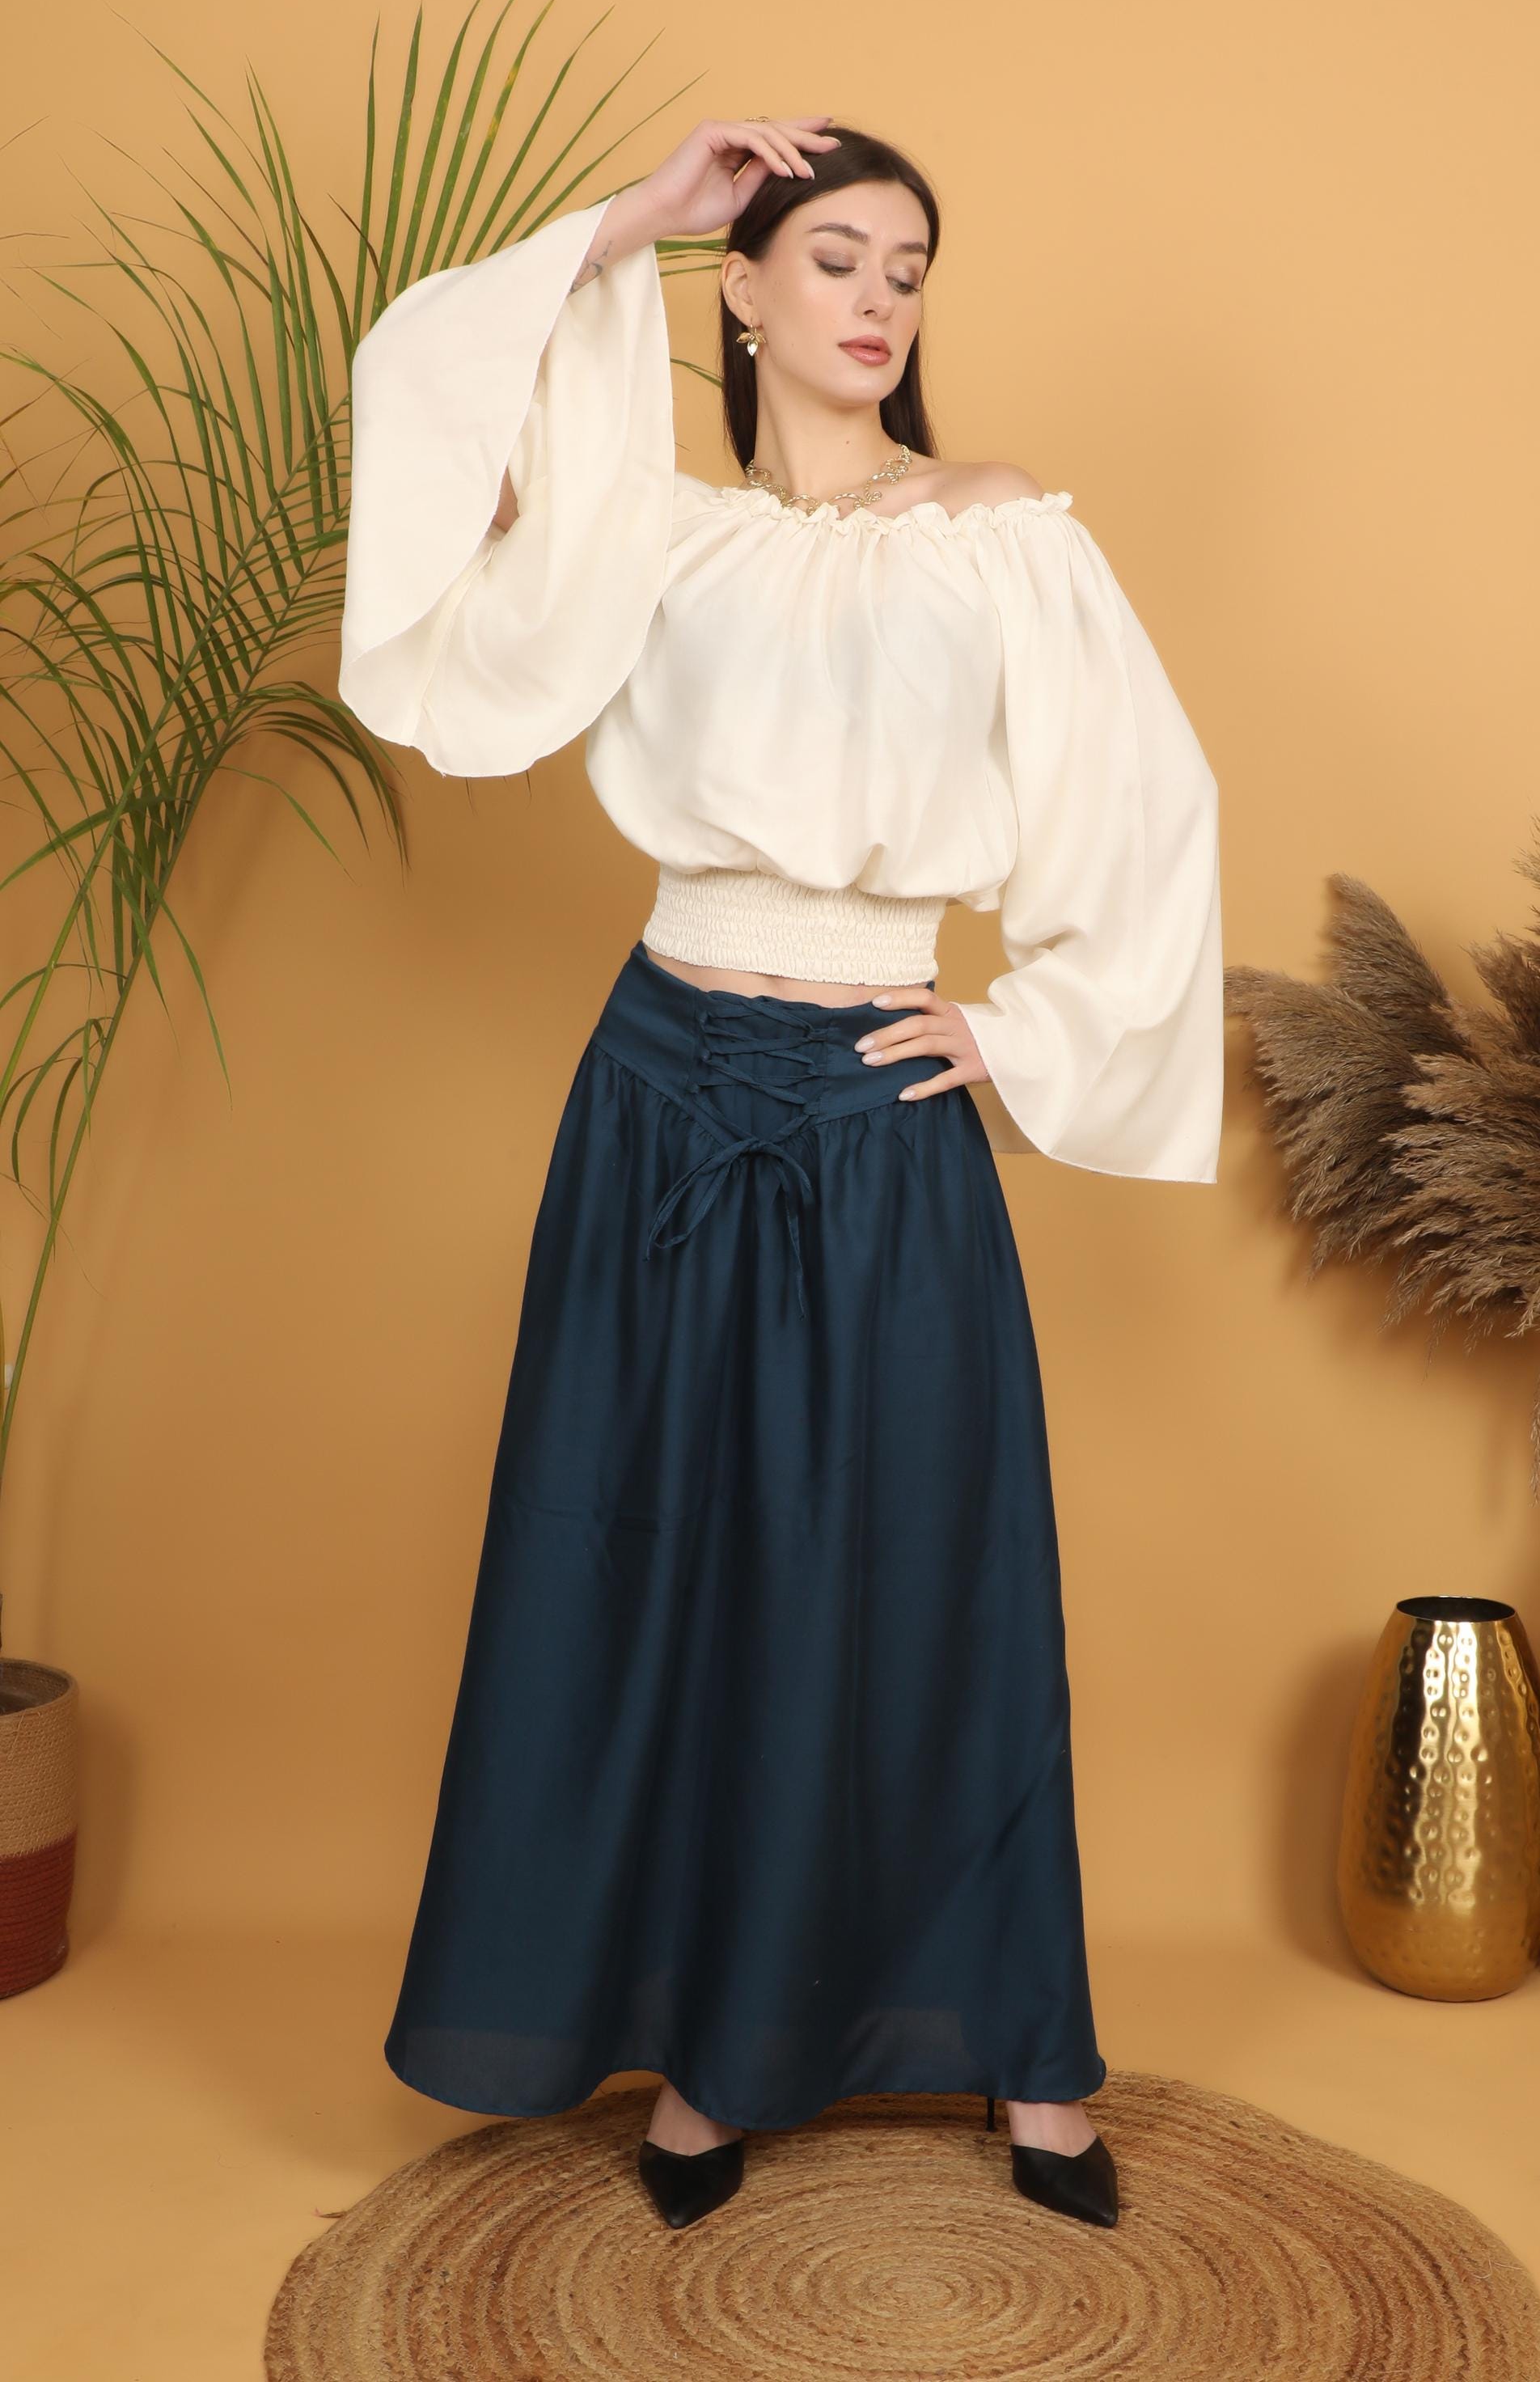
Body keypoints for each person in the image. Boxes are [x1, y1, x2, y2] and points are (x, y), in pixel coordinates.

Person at [339, 112, 1223, 2234]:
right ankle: (706, 2057)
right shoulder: (656, 537)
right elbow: (427, 386)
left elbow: (1145, 801)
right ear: (738, 292)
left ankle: (1028, 2061)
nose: (877, 300)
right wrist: (635, 220)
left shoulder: (995, 528)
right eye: (835, 258)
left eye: (908, 269)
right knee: (653, 1559)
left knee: (929, 1568)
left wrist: (1018, 1032)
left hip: (869, 1099)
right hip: (655, 1086)